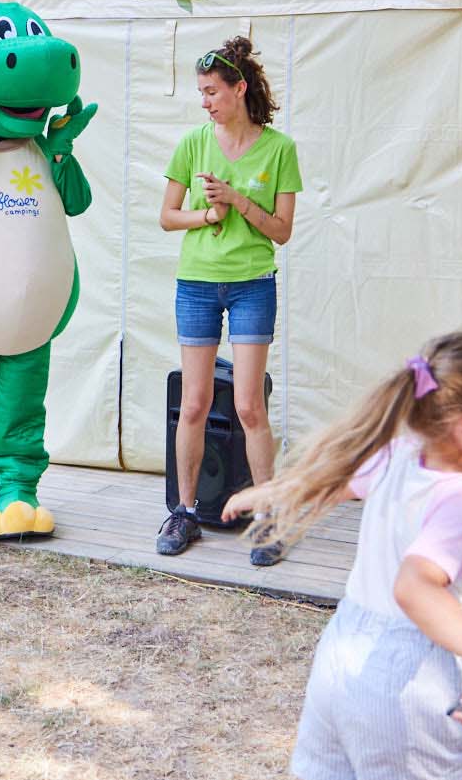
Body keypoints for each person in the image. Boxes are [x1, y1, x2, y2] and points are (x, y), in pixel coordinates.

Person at [226, 331, 462, 780]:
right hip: (406, 684)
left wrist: (273, 491)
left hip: (338, 660)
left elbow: (330, 479)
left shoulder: (396, 455)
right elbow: (415, 587)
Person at [156, 36, 302, 565]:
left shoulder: (279, 149)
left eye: (213, 91)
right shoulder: (192, 144)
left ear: (239, 89)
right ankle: (185, 511)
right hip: (196, 282)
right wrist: (206, 215)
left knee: (247, 405)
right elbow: (168, 215)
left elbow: (282, 232)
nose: (205, 102)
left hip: (252, 284)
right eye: (201, 93)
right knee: (193, 403)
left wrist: (237, 200)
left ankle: (268, 520)